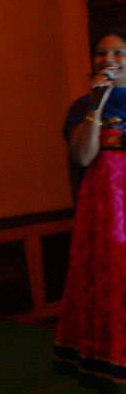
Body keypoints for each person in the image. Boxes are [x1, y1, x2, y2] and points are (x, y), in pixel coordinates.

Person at [54, 30, 126, 385]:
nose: (108, 59)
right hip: (105, 209)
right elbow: (83, 156)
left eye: (118, 52)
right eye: (101, 52)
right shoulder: (82, 106)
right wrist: (96, 106)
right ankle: (109, 360)